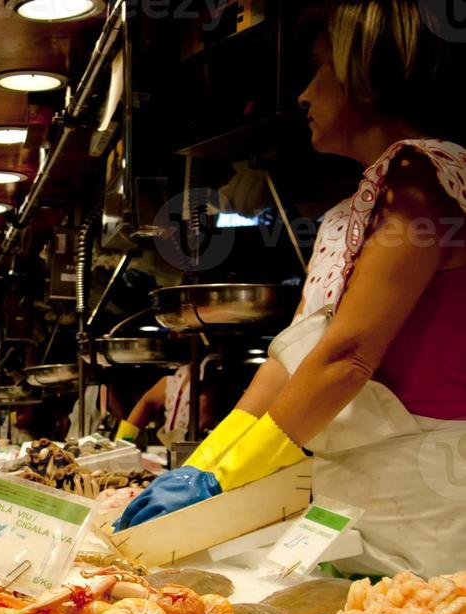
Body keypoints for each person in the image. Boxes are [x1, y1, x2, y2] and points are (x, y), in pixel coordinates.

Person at [118, 0, 466, 578]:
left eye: (318, 68)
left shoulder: (422, 175)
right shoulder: (341, 217)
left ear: (364, 71)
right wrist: (206, 463)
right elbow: (292, 355)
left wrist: (232, 476)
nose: (303, 94)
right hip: (352, 505)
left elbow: (349, 355)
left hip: (432, 508)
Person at [115, 357, 220, 447]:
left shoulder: (216, 372)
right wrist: (123, 442)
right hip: (176, 453)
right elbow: (148, 402)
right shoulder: (179, 374)